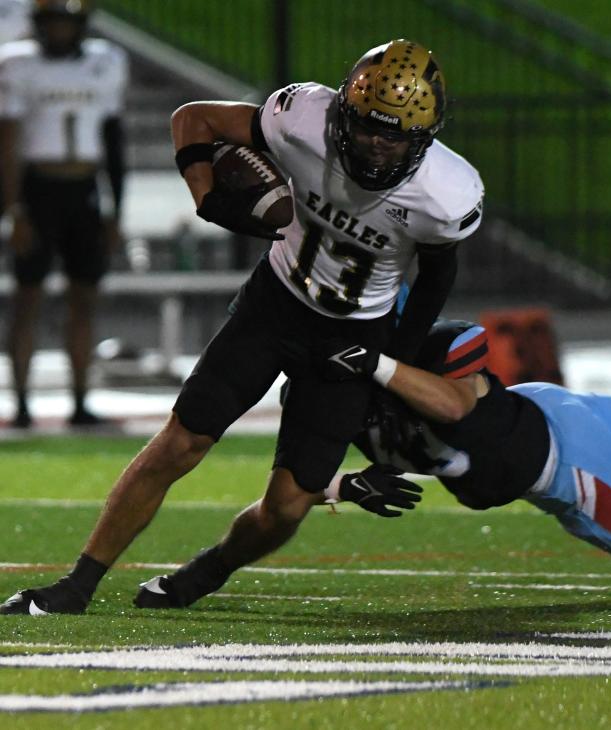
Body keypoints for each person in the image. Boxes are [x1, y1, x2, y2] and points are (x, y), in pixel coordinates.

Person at [0, 39, 483, 615]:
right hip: (275, 303)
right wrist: (206, 195)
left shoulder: (445, 194)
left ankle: (207, 571)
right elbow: (193, 118)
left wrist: (390, 372)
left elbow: (433, 283)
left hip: (355, 335)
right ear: (343, 114)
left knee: (288, 505)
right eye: (368, 127)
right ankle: (77, 583)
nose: (379, 146)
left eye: (397, 134)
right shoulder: (303, 117)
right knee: (181, 441)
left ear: (425, 137)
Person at [127, 241, 611, 612]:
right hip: (546, 408)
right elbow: (301, 485)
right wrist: (345, 486)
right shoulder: (334, 384)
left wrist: (374, 364)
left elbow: (456, 403)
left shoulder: (415, 356)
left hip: (556, 463)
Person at [0, 0, 127, 427]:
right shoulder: (18, 65)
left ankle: (80, 398)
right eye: (52, 22)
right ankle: (20, 401)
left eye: (66, 23)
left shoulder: (104, 62)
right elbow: (9, 142)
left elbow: (113, 138)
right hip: (39, 188)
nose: (59, 31)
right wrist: (14, 208)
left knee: (84, 298)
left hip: (85, 188)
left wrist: (115, 209)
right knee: (27, 298)